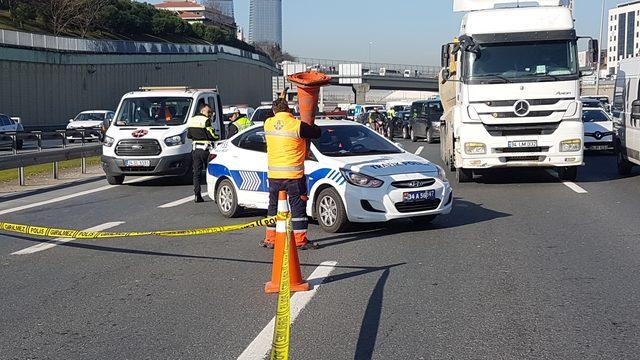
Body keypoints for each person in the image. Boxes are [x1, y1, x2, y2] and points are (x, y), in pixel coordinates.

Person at [261, 97, 321, 250]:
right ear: (288, 109)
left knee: (273, 207)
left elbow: (269, 114)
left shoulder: (267, 124)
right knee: (298, 208)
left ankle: (270, 239)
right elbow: (316, 132)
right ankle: (300, 241)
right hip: (293, 176)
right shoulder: (296, 125)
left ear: (274, 111)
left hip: (274, 176)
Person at [186, 103, 217, 203]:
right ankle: (214, 194)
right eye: (208, 112)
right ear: (202, 111)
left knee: (196, 173)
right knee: (211, 172)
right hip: (206, 150)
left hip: (195, 149)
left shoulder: (191, 120)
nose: (209, 114)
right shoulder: (206, 120)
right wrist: (217, 137)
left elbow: (189, 135)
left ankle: (197, 195)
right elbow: (212, 135)